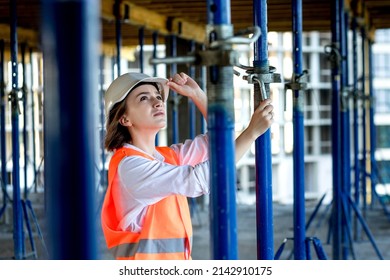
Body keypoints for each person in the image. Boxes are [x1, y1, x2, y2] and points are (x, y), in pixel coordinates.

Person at [101, 72, 274, 260]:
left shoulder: (166, 157)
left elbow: (219, 140)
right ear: (124, 119)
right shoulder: (130, 167)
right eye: (144, 98)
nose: (158, 102)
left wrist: (197, 94)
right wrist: (251, 133)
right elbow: (203, 179)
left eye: (158, 96)